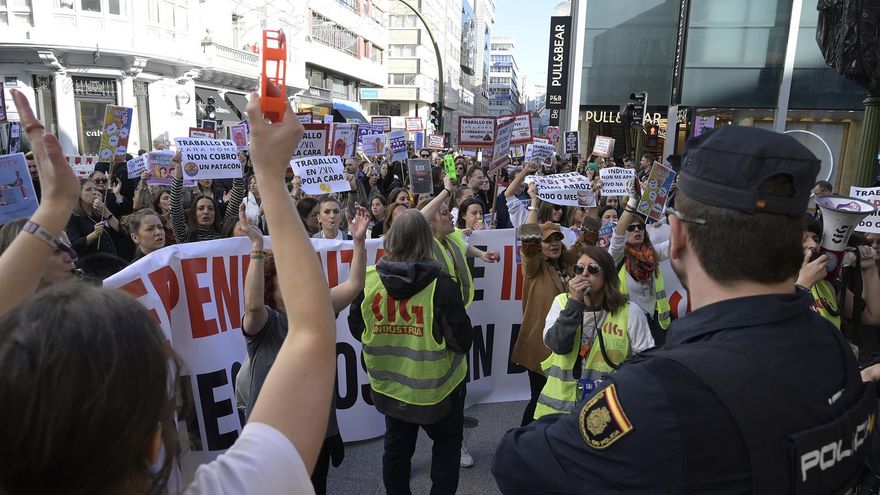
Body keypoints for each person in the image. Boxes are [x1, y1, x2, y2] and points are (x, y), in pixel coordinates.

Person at [493, 125, 877, 493]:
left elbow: (516, 464)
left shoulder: (661, 388)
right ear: (798, 244)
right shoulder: (833, 346)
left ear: (676, 239)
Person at [238, 200, 370, 494]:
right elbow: (252, 304)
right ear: (271, 289)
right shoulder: (265, 324)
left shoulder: (317, 309)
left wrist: (359, 242)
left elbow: (354, 285)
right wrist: (257, 247)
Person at [347, 209, 473, 495]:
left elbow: (357, 328)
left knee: (396, 451)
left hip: (390, 390)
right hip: (438, 392)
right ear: (426, 242)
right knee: (447, 446)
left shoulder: (368, 281)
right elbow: (461, 341)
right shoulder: (441, 286)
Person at [535, 246, 653, 419]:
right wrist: (574, 304)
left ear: (608, 276)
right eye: (579, 269)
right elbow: (557, 345)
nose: (584, 274)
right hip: (558, 410)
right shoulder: (562, 302)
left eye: (593, 269)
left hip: (606, 409)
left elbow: (646, 362)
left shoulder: (629, 311)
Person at [609, 192, 672, 346]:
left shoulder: (652, 254)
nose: (637, 230)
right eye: (631, 228)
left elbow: (676, 243)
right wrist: (632, 202)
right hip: (630, 323)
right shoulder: (617, 256)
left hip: (657, 322)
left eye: (640, 227)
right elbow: (617, 238)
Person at [796, 218, 880, 331]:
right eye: (802, 239)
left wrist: (870, 269)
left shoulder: (826, 284)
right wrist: (803, 286)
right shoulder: (771, 283)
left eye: (815, 239)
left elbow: (872, 316)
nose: (813, 244)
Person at [169, 158, 244, 244]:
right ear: (194, 213)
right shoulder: (185, 236)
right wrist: (178, 177)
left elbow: (237, 196)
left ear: (216, 213)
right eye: (201, 208)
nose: (206, 212)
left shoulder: (224, 232)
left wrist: (238, 170)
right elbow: (175, 208)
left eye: (210, 208)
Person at [65, 178, 121, 257]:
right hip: (92, 264)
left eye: (95, 189)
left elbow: (119, 229)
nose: (94, 192)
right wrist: (94, 234)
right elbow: (74, 245)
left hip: (111, 260)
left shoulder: (98, 212)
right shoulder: (72, 216)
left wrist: (106, 212)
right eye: (88, 190)